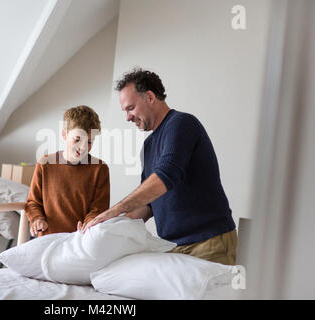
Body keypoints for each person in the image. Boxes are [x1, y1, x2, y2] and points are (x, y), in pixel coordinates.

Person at [81, 68, 237, 265]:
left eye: (130, 108)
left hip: (209, 243)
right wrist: (104, 227)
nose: (127, 117)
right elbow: (148, 205)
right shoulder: (148, 146)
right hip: (174, 246)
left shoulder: (181, 124)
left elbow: (166, 175)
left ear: (150, 97)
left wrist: (114, 209)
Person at [25, 105, 110, 237]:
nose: (83, 147)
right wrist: (37, 219)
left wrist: (88, 225)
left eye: (89, 142)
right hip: (47, 240)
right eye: (77, 139)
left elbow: (98, 209)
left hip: (79, 241)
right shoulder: (45, 164)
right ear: (64, 134)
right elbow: (33, 203)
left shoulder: (99, 169)